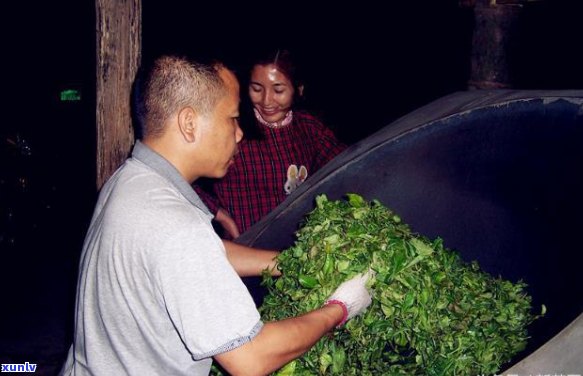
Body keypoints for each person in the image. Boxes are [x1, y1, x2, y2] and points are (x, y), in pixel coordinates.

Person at [59, 55, 372, 375]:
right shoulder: (176, 225)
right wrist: (340, 308)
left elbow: (206, 252)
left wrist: (292, 262)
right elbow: (251, 358)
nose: (239, 134)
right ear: (190, 123)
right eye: (232, 118)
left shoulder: (133, 180)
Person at [196, 49, 346, 239]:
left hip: (295, 247)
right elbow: (180, 174)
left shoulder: (309, 127)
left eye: (278, 90)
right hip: (246, 248)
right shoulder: (233, 129)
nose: (267, 100)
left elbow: (348, 166)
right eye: (257, 89)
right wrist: (218, 212)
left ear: (298, 89)